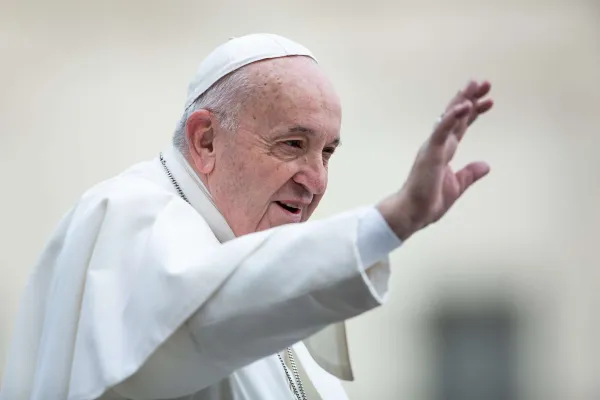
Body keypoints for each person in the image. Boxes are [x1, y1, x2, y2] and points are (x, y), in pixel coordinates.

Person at [0, 33, 494, 400]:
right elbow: (197, 319)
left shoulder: (258, 274)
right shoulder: (124, 215)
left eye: (327, 153)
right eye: (292, 145)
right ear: (205, 140)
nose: (316, 180)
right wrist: (393, 220)